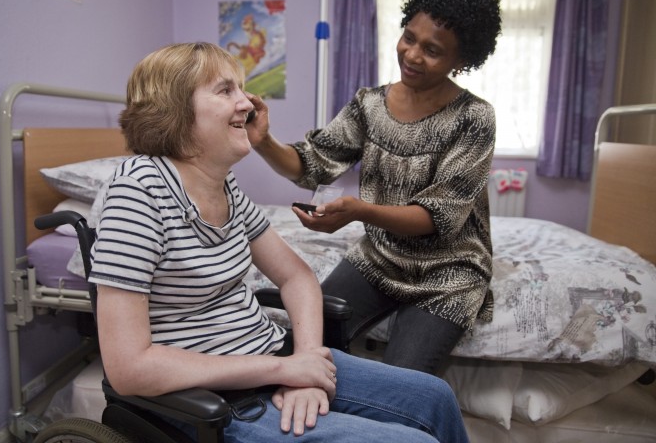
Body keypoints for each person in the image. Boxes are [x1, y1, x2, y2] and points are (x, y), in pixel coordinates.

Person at [88, 42, 469, 442]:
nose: (248, 104)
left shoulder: (225, 187)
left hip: (272, 359)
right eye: (225, 90)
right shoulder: (138, 191)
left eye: (242, 89)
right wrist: (283, 371)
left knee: (435, 397)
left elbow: (297, 276)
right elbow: (128, 368)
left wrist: (304, 360)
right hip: (214, 400)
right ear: (175, 112)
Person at [246, 0, 502, 375]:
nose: (413, 55)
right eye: (409, 37)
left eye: (433, 50)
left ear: (462, 60)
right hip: (379, 258)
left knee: (402, 384)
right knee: (302, 348)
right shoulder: (370, 104)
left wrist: (360, 211)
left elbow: (437, 218)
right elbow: (312, 163)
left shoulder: (473, 119)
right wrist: (262, 141)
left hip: (448, 274)